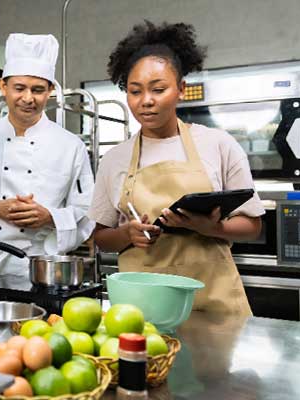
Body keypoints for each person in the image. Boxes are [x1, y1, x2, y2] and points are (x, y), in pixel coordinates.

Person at [90, 21, 264, 315]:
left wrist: (212, 228)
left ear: (181, 89)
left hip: (212, 303)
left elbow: (252, 227)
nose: (146, 101)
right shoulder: (114, 159)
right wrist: (128, 234)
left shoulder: (218, 145)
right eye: (135, 91)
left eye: (158, 89)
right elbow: (101, 237)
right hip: (142, 308)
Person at [0, 34, 95, 284]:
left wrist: (49, 217)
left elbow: (87, 211)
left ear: (50, 92)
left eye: (38, 90)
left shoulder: (71, 146)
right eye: (19, 88)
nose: (28, 98)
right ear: (3, 87)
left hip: (45, 270)